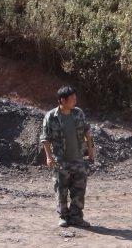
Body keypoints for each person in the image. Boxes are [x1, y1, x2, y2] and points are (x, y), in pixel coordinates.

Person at [40, 85, 95, 227]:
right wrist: (49, 157)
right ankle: (63, 216)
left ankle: (76, 217)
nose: (75, 101)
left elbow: (87, 132)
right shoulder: (51, 117)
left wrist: (91, 150)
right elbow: (45, 138)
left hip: (78, 160)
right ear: (62, 100)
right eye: (72, 99)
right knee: (61, 190)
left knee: (79, 190)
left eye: (75, 98)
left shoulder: (78, 113)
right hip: (61, 161)